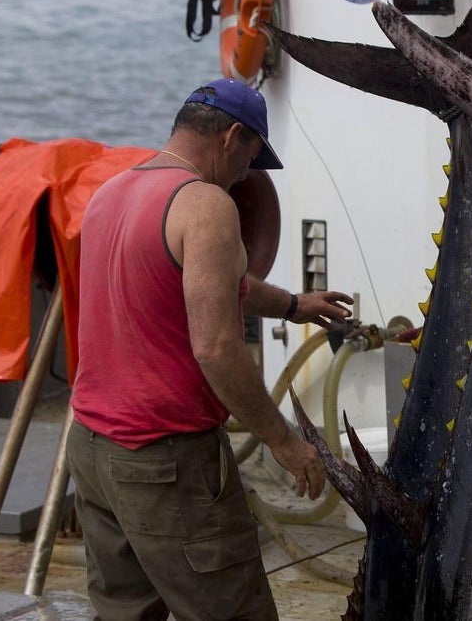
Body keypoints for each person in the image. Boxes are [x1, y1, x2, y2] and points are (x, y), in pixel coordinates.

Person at [65, 78, 353, 620]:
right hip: (165, 460)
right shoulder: (206, 206)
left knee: (125, 612)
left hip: (93, 448)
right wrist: (284, 442)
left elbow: (213, 285)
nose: (248, 172)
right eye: (251, 156)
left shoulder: (111, 194)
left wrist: (294, 304)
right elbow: (217, 347)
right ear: (233, 135)